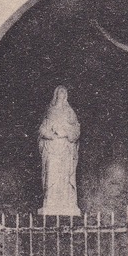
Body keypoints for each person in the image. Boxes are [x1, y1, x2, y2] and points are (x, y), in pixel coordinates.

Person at [38, 85, 81, 215]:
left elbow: (76, 130)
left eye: (64, 92)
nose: (62, 94)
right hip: (52, 147)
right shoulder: (50, 112)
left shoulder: (70, 112)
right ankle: (50, 201)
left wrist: (67, 133)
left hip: (66, 147)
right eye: (59, 92)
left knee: (65, 175)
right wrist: (50, 135)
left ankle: (67, 202)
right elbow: (42, 129)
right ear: (56, 95)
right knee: (51, 173)